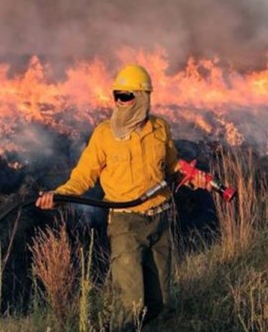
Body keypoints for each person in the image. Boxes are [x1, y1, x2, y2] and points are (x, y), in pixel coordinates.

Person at [36, 63, 209, 330]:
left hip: (160, 220)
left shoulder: (160, 129)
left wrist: (194, 179)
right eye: (118, 95)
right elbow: (83, 176)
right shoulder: (104, 135)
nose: (121, 102)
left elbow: (172, 169)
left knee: (159, 300)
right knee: (131, 304)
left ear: (143, 98)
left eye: (127, 96)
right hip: (126, 224)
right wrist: (59, 195)